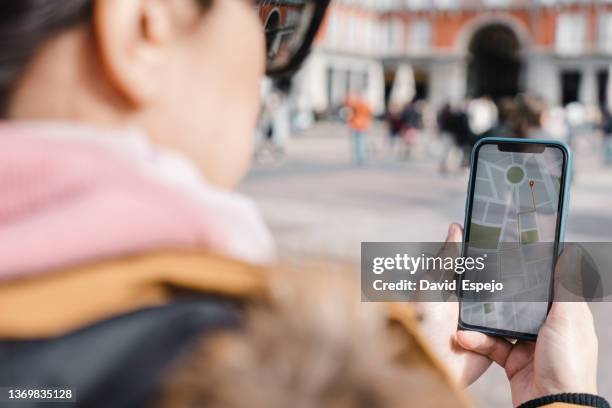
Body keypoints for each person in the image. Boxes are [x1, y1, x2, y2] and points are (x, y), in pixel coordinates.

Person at [0, 1, 607, 407]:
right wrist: (559, 395)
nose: (269, 66)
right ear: (143, 26)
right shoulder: (258, 368)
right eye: (270, 22)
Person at [345, 90, 373, 165]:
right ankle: (361, 157)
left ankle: (360, 157)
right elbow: (370, 113)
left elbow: (347, 103)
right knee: (361, 141)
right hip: (363, 125)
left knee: (358, 142)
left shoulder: (356, 103)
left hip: (356, 125)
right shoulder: (366, 104)